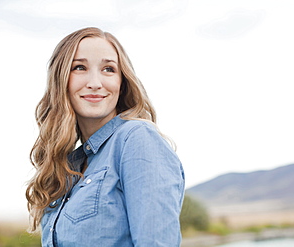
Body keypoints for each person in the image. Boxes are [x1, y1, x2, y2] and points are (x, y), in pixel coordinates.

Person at [26, 27, 185, 247]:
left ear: (122, 82)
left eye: (108, 69)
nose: (95, 82)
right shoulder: (70, 166)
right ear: (60, 80)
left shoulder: (137, 140)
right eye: (79, 67)